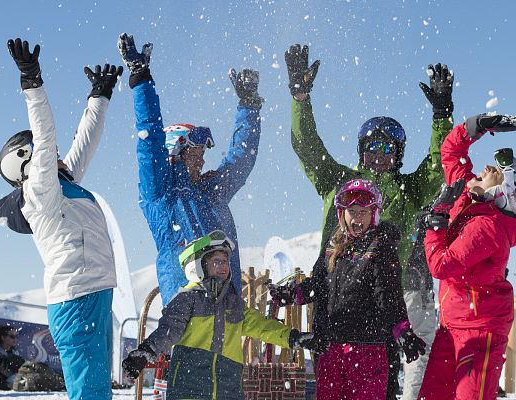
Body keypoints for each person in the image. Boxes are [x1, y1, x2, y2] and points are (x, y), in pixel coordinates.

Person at [285, 44, 454, 400]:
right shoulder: (339, 181)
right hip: (334, 306)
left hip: (380, 312)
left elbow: (439, 166)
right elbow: (308, 148)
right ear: (361, 151)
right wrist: (301, 97)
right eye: (372, 148)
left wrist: (442, 115)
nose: (379, 155)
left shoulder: (409, 190)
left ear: (398, 155)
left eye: (388, 149)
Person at [0, 38, 123, 400]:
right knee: (90, 394)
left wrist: (99, 96)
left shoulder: (62, 185)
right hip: (75, 299)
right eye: (42, 155)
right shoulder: (40, 193)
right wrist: (31, 81)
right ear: (28, 165)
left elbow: (85, 144)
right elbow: (45, 133)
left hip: (93, 293)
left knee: (96, 391)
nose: (55, 156)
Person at [117, 33, 263, 306]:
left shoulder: (212, 191)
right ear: (174, 155)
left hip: (226, 307)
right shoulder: (161, 193)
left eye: (202, 155)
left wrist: (249, 106)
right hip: (185, 310)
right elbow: (150, 142)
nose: (202, 162)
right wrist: (141, 81)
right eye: (195, 155)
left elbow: (242, 159)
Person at [270, 179, 427, 400]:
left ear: (375, 214)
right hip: (331, 348)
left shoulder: (380, 247)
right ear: (341, 214)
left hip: (367, 350)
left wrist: (403, 331)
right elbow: (318, 285)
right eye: (352, 211)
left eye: (364, 211)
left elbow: (388, 295)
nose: (357, 217)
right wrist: (292, 294)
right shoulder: (333, 246)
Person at [417, 114, 516, 400]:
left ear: (503, 193)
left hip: (479, 330)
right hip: (452, 323)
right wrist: (479, 125)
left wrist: (437, 220)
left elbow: (440, 265)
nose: (486, 168)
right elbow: (451, 152)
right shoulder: (468, 196)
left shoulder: (489, 227)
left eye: (497, 173)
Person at [122, 230, 313, 400]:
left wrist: (292, 337)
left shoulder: (234, 304)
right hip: (190, 389)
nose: (224, 266)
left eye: (226, 262)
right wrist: (146, 352)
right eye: (217, 261)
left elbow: (261, 326)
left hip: (228, 389)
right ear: (198, 267)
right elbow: (168, 330)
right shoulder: (188, 299)